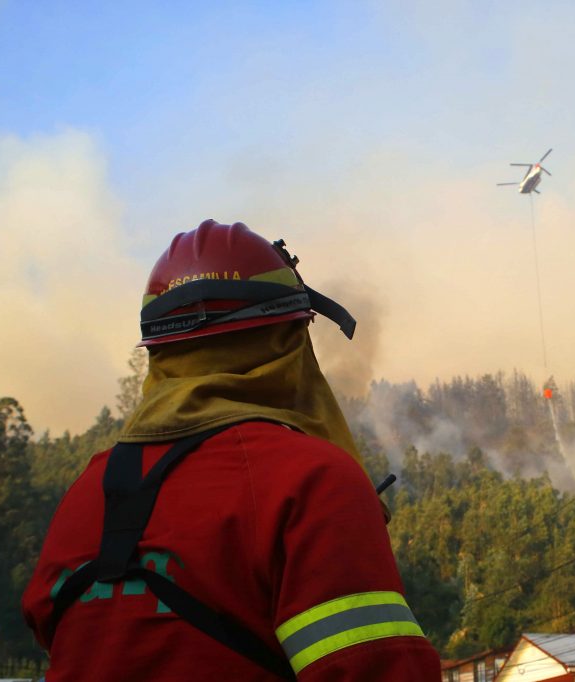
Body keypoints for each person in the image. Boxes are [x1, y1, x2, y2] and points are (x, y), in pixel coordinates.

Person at [22, 220, 441, 680]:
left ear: (158, 353)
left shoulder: (86, 493)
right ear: (288, 342)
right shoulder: (312, 482)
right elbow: (374, 670)